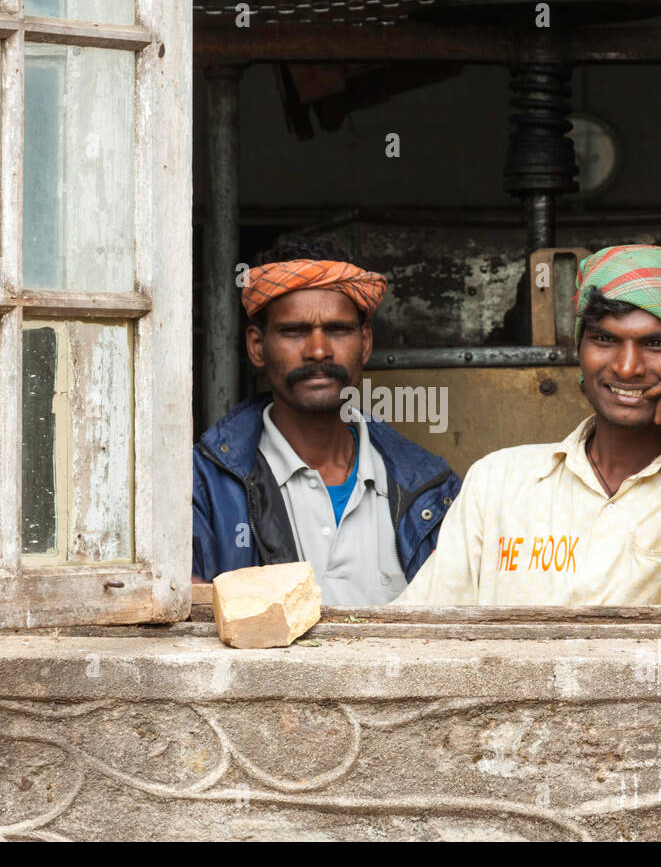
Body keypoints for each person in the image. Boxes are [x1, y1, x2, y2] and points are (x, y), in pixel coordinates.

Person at [395, 244, 661, 607]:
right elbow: (422, 626)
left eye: (656, 343)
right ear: (579, 350)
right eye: (605, 339)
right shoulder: (499, 482)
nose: (626, 367)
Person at [193, 236, 462, 604]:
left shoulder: (433, 487)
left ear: (365, 343)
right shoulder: (203, 487)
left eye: (337, 330)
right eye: (294, 331)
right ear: (257, 346)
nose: (318, 350)